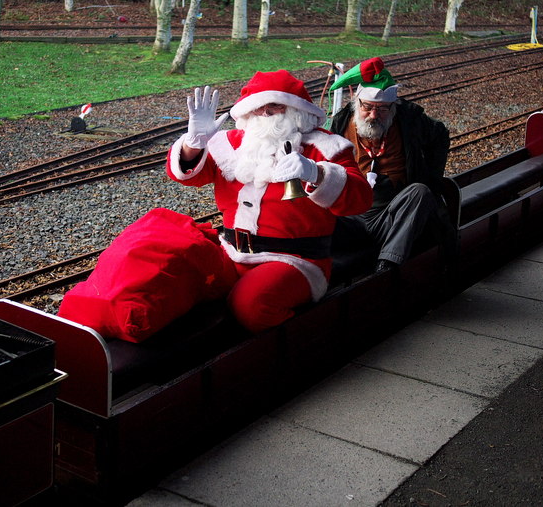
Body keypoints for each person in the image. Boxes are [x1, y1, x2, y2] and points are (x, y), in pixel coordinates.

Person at [166, 69, 373, 332]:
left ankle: (304, 344)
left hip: (296, 260)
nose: (265, 112)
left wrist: (315, 172)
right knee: (182, 286)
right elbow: (185, 176)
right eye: (258, 106)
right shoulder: (230, 144)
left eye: (275, 105)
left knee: (252, 306)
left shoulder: (324, 147)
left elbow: (361, 200)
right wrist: (193, 145)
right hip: (232, 252)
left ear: (296, 110)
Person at [330, 57, 454, 273]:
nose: (374, 115)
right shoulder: (339, 123)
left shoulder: (409, 120)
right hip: (350, 215)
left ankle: (387, 267)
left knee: (420, 192)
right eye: (367, 107)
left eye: (383, 109)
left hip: (391, 211)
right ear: (356, 102)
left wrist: (433, 178)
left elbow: (440, 135)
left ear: (393, 107)